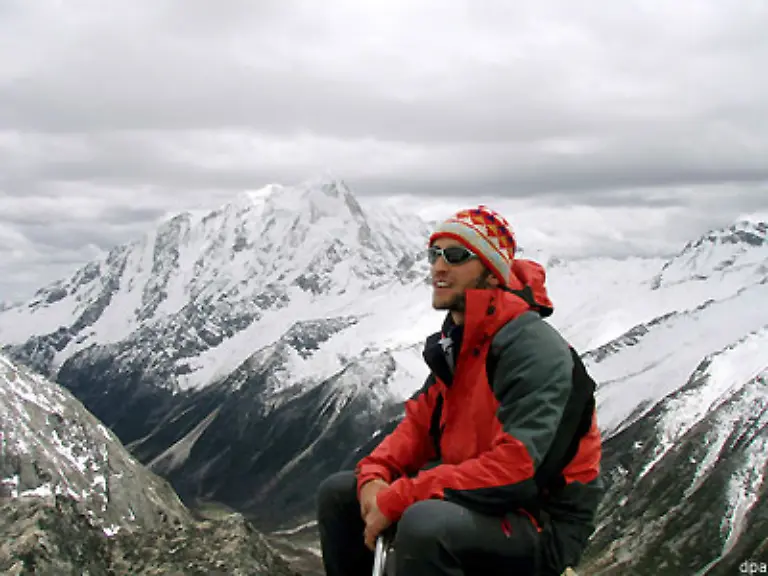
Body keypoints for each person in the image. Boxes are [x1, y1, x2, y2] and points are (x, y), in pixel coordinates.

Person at [317, 206, 603, 576]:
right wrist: (374, 476)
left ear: (490, 271)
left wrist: (402, 496)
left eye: (456, 256)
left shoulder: (532, 349)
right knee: (341, 494)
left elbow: (519, 471)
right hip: (481, 499)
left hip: (539, 519)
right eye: (434, 254)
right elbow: (417, 429)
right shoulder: (459, 343)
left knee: (425, 526)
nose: (438, 267)